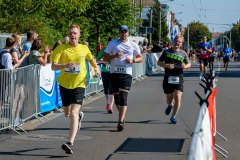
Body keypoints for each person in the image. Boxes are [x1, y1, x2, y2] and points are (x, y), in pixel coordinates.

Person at [50, 24, 100, 154]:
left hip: (79, 84)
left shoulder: (84, 48)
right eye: (71, 33)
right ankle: (79, 116)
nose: (73, 35)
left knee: (73, 113)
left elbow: (92, 60)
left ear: (79, 35)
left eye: (75, 33)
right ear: (68, 34)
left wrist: (96, 69)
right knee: (67, 112)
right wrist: (64, 65)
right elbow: (53, 67)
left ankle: (70, 142)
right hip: (64, 84)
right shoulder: (61, 49)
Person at [103, 25, 142, 131]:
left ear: (128, 33)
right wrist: (114, 56)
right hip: (114, 73)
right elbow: (105, 57)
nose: (124, 34)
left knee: (123, 97)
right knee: (117, 100)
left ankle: (120, 122)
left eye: (125, 32)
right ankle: (122, 117)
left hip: (126, 74)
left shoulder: (133, 45)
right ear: (119, 33)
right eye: (122, 32)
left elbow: (140, 58)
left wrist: (133, 60)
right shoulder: (113, 43)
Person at [157, 35, 191, 124]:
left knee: (177, 97)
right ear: (173, 41)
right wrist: (166, 65)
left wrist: (185, 66)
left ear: (181, 43)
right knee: (169, 99)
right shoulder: (166, 52)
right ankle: (170, 105)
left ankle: (173, 116)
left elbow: (189, 64)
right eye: (176, 41)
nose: (177, 43)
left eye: (179, 42)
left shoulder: (183, 53)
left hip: (178, 77)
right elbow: (159, 62)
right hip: (168, 76)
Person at [96, 37, 114, 113]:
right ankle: (108, 102)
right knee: (106, 89)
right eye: (109, 43)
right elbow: (96, 60)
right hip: (105, 71)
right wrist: (103, 62)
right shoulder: (103, 50)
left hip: (113, 72)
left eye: (112, 43)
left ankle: (110, 106)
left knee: (112, 89)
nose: (110, 45)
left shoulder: (115, 50)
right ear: (107, 43)